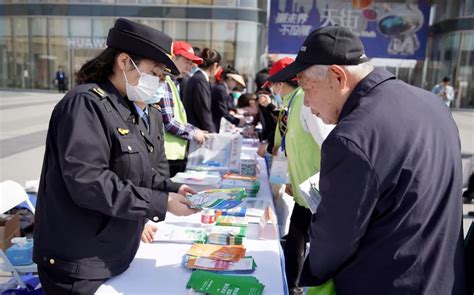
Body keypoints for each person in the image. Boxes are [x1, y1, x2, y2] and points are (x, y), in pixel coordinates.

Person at [268, 26, 468, 294]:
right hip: (443, 279)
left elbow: (334, 241)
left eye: (307, 88)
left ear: (337, 77)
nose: (307, 105)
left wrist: (308, 274)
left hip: (385, 281)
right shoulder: (433, 105)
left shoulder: (351, 138)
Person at [33, 18, 198, 294]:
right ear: (124, 62)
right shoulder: (86, 104)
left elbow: (142, 173)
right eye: (154, 73)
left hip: (115, 255)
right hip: (79, 263)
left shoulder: (128, 108)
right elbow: (88, 182)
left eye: (162, 77)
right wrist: (162, 203)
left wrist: (173, 189)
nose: (158, 83)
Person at [265, 57, 335, 295]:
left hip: (318, 191)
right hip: (305, 190)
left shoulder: (306, 103)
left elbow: (329, 144)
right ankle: (292, 285)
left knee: (311, 242)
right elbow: (290, 147)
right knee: (296, 236)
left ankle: (297, 286)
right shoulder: (292, 103)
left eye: (273, 84)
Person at [158, 41, 208, 177]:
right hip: (167, 157)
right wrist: (193, 133)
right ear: (173, 58)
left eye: (192, 63)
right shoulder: (166, 83)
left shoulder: (173, 83)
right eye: (187, 61)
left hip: (172, 155)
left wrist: (194, 130)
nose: (190, 66)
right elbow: (168, 122)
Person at [183, 48, 221, 133]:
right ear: (215, 66)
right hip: (196, 131)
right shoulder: (200, 80)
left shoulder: (198, 78)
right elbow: (204, 110)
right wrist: (212, 133)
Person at [211, 65, 246, 132]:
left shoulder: (221, 88)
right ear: (230, 79)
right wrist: (237, 121)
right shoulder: (221, 89)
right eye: (235, 82)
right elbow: (223, 110)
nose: (236, 85)